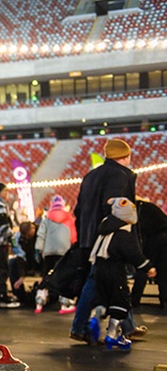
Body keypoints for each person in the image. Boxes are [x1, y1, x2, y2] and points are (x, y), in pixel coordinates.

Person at [69, 139, 136, 343]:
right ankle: (79, 326)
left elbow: (78, 209)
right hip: (107, 237)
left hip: (89, 235)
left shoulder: (90, 176)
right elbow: (115, 208)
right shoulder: (119, 175)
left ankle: (128, 326)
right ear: (125, 156)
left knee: (112, 279)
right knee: (102, 280)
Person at [88, 198, 156, 351]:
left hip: (99, 268)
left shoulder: (104, 230)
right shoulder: (122, 233)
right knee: (120, 300)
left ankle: (95, 316)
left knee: (103, 297)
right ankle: (112, 335)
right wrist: (148, 267)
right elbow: (133, 254)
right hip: (115, 270)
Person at [132, 199, 167, 311]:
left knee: (143, 268)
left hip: (156, 240)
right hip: (163, 240)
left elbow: (143, 236)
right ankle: (164, 301)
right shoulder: (148, 208)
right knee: (163, 273)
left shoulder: (137, 211)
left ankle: (134, 300)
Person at [35, 195, 77, 276]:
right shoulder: (70, 219)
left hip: (48, 253)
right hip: (64, 252)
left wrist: (38, 249)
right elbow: (73, 237)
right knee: (61, 276)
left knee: (48, 276)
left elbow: (41, 235)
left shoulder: (46, 220)